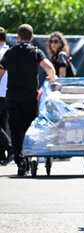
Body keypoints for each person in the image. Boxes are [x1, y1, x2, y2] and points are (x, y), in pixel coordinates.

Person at [0, 24, 57, 175]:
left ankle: (21, 163)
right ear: (32, 38)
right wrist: (53, 79)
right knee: (30, 129)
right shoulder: (36, 52)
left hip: (13, 97)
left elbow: (0, 70)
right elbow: (49, 68)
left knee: (16, 131)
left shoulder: (10, 53)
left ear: (18, 37)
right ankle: (31, 156)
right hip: (30, 97)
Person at [0, 27, 12, 166]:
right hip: (8, 93)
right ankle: (2, 155)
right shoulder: (10, 52)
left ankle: (9, 146)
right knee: (2, 124)